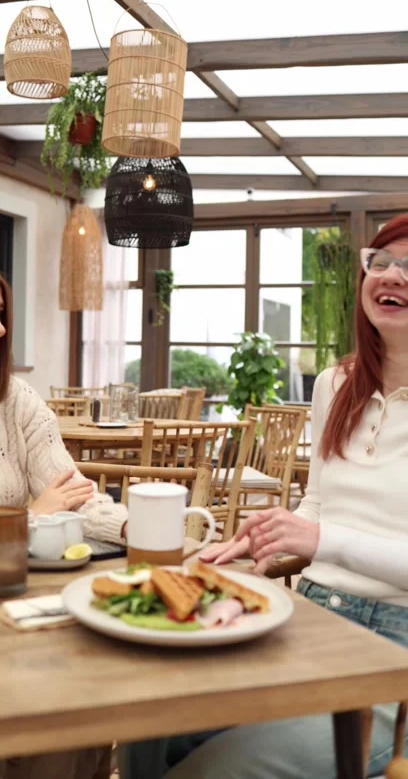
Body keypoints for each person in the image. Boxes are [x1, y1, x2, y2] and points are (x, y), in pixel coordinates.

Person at [118, 214, 408, 779]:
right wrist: (262, 543)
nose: (392, 275)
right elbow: (318, 505)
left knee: (217, 770)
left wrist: (321, 540)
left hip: (396, 650)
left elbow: (324, 533)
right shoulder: (336, 384)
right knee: (147, 720)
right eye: (381, 262)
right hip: (314, 616)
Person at [0, 253, 127, 779]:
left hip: (20, 608)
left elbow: (70, 493)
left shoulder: (17, 401)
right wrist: (18, 518)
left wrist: (132, 526)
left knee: (76, 721)